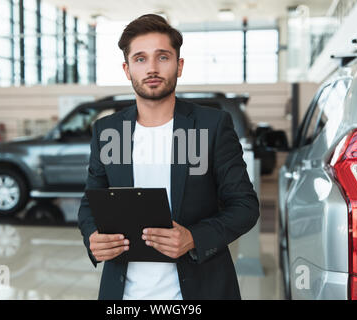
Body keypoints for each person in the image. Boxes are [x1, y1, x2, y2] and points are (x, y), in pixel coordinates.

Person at [77, 14, 259, 300]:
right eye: (140, 59)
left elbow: (245, 206)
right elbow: (90, 202)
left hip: (200, 290)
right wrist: (93, 239)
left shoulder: (211, 126)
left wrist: (194, 238)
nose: (151, 68)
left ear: (179, 65)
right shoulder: (108, 131)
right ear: (127, 70)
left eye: (162, 57)